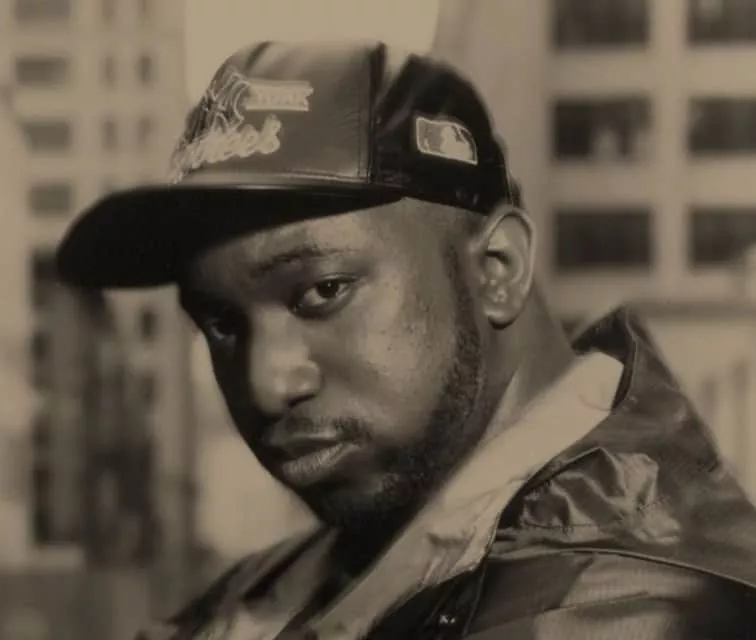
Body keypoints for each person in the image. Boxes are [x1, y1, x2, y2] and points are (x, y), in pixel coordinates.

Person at [55, 40, 756, 638]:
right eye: (222, 323)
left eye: (323, 291)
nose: (267, 383)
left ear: (498, 270)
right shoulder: (318, 568)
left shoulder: (618, 605)